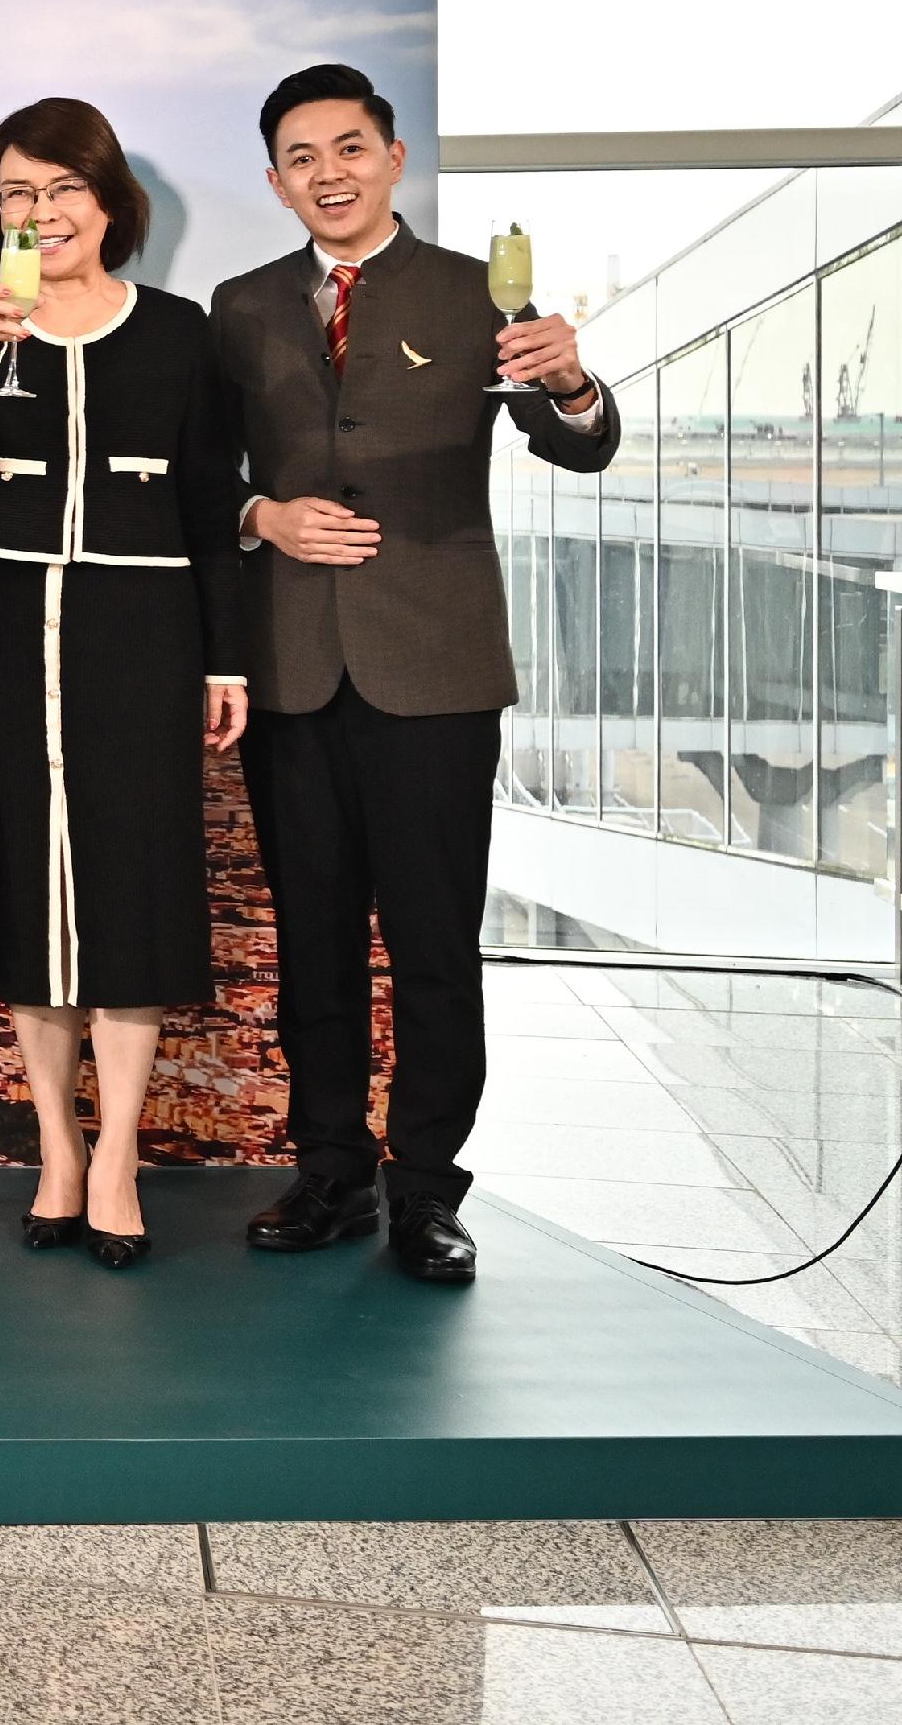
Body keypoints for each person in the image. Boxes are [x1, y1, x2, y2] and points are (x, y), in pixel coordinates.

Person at [215, 62, 617, 1286]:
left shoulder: (471, 295)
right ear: (275, 182)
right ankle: (330, 1171)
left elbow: (577, 443)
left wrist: (573, 384)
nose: (327, 173)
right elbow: (196, 481)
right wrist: (256, 518)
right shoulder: (236, 309)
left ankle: (429, 1191)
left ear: (394, 158)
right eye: (301, 157)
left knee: (435, 943)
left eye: (350, 148)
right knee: (312, 941)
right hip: (292, 669)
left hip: (434, 672)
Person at [0, 100, 246, 1268]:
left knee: (130, 874)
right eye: (16, 191)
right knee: (22, 875)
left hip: (139, 618)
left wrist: (224, 654)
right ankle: (56, 1145)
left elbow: (211, 497)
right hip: (8, 618)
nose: (40, 211)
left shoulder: (177, 331)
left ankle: (117, 1159)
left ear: (107, 201)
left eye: (62, 188)